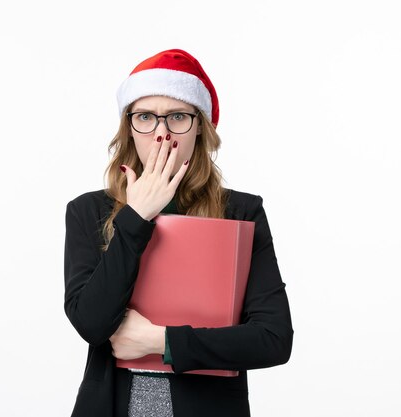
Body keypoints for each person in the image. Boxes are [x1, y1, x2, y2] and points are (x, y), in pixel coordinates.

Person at [64, 49, 293, 417]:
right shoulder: (88, 211)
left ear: (199, 124)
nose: (161, 133)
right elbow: (91, 323)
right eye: (145, 117)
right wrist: (137, 216)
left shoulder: (242, 213)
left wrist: (161, 341)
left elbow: (273, 339)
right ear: (129, 126)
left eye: (177, 117)